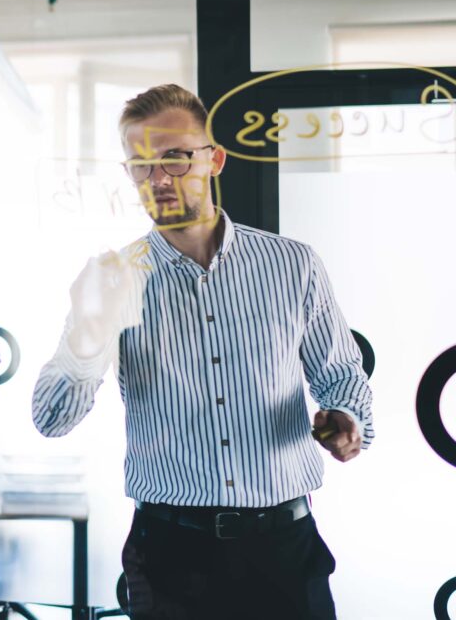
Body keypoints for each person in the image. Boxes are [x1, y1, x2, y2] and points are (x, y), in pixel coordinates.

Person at [31, 84, 373, 619]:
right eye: (141, 164)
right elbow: (50, 420)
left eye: (174, 157)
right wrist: (88, 337)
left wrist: (347, 421)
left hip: (285, 547)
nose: (159, 178)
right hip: (170, 555)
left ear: (214, 159)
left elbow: (342, 377)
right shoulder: (113, 279)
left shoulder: (293, 265)